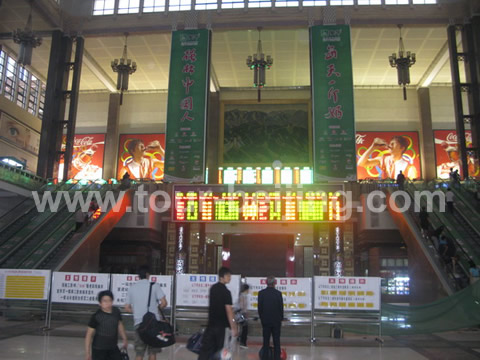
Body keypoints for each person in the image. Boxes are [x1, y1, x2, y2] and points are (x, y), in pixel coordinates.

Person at [125, 266, 167, 360]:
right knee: (153, 352)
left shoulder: (132, 288)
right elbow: (164, 303)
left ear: (138, 276)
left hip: (139, 324)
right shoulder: (154, 286)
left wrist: (137, 311)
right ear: (148, 274)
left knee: (139, 353)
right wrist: (156, 309)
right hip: (153, 324)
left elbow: (127, 307)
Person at [198, 267, 237, 360]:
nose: (230, 278)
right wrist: (234, 326)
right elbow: (229, 311)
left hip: (211, 325)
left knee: (205, 350)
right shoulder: (226, 292)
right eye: (228, 276)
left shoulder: (213, 289)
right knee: (219, 351)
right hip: (221, 327)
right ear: (222, 277)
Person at [85, 290, 128, 360]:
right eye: (105, 301)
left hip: (113, 347)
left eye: (110, 300)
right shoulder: (96, 316)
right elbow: (88, 335)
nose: (108, 303)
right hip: (99, 349)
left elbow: (119, 325)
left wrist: (124, 338)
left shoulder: (116, 311)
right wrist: (87, 353)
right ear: (100, 303)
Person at [258, 275, 284, 360]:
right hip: (276, 321)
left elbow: (260, 308)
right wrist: (281, 319)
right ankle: (277, 358)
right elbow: (281, 308)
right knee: (277, 342)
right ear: (274, 283)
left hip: (266, 321)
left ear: (266, 283)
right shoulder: (278, 294)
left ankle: (265, 358)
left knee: (266, 342)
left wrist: (262, 319)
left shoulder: (261, 293)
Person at [237, 284, 249, 349]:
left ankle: (242, 341)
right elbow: (241, 307)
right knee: (245, 328)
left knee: (244, 329)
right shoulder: (242, 296)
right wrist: (245, 313)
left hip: (243, 315)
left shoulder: (243, 296)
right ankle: (242, 342)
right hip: (242, 315)